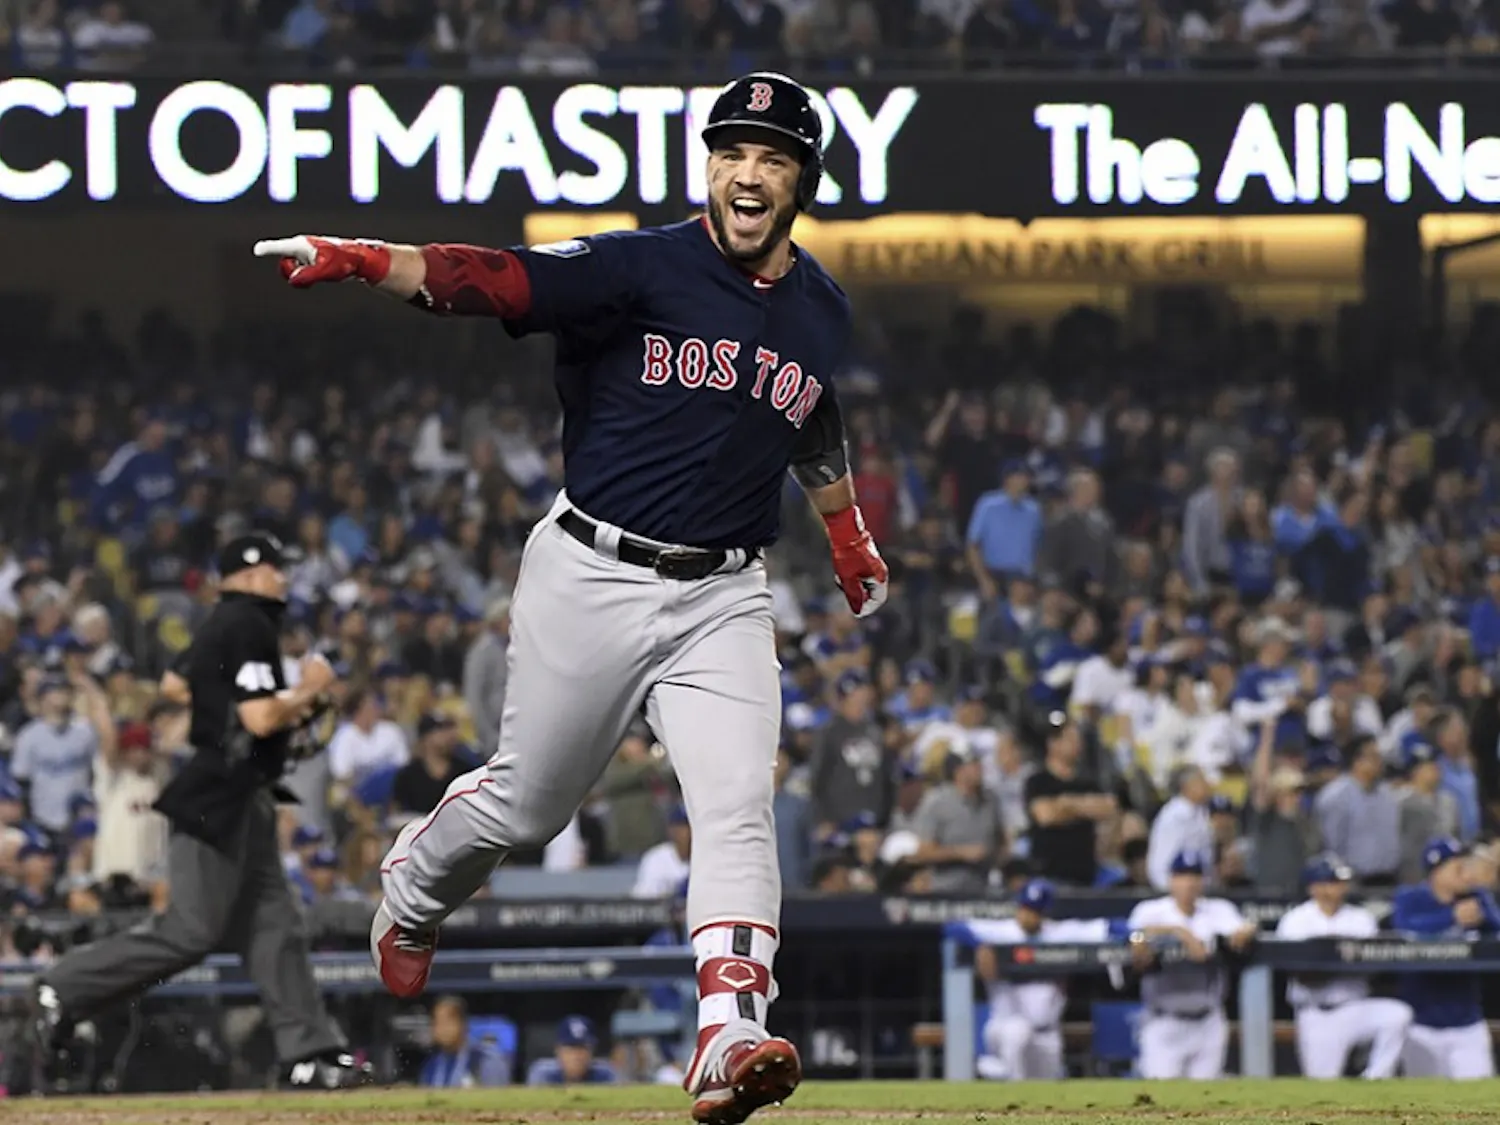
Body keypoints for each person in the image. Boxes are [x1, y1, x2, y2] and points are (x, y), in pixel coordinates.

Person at [260, 71, 889, 1125]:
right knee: (531, 806)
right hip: (593, 568)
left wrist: (844, 530)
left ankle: (728, 1032)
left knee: (739, 808)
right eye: (733, 151)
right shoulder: (643, 266)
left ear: (800, 181)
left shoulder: (823, 306)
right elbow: (493, 280)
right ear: (710, 166)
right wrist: (371, 261)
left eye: (772, 158)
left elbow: (807, 412)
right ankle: (413, 887)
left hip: (724, 594)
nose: (749, 172)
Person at [30, 533, 370, 1092]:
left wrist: (218, 706)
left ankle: (310, 1052)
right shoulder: (248, 622)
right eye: (273, 570)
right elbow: (261, 719)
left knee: (277, 927)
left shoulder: (220, 624)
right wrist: (308, 689)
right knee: (190, 930)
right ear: (245, 575)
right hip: (218, 797)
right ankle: (64, 987)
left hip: (245, 796)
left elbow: (172, 684)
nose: (283, 579)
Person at [1273, 855, 1412, 1079]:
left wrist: (1334, 961)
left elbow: (1374, 964)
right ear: (1315, 887)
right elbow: (1297, 972)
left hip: (1355, 1007)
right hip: (1317, 1013)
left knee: (1397, 1015)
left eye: (1341, 881)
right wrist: (1338, 961)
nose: (1341, 887)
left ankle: (1375, 1079)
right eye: (1333, 881)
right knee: (1323, 1086)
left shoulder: (1360, 918)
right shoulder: (1296, 920)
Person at [1125, 849, 1257, 1079]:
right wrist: (1180, 933)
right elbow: (1133, 935)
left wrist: (1245, 932)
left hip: (1208, 1019)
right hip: (1164, 1019)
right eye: (1182, 876)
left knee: (1206, 1098)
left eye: (1195, 876)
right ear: (1171, 880)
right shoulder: (1151, 910)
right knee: (1160, 1095)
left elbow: (1244, 929)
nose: (1189, 883)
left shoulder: (1219, 909)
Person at [971, 879, 1113, 1080]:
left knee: (1047, 1093)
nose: (1029, 916)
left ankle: (997, 1069)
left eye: (1036, 911)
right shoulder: (1000, 931)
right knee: (1018, 1033)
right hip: (1005, 1027)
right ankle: (999, 1070)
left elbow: (1110, 928)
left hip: (1048, 1032)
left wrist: (1137, 938)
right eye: (1026, 908)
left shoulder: (1059, 933)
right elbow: (954, 927)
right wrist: (982, 945)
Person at [1391, 837, 1500, 1079]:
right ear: (1437, 872)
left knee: (1478, 1104)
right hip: (1420, 1023)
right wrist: (1451, 917)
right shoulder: (1412, 898)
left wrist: (1484, 918)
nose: (1467, 873)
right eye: (1459, 867)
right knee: (1423, 1108)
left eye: (1467, 865)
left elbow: (1497, 931)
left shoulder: (1476, 898)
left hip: (1467, 1023)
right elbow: (1405, 926)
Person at [420, 995, 512, 1088]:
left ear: (462, 1023)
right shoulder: (431, 1065)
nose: (441, 1029)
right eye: (437, 1023)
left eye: (447, 1023)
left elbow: (497, 1097)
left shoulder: (485, 1060)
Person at [526, 1016, 619, 1086]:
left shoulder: (606, 1073)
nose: (576, 1056)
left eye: (582, 1048)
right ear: (557, 1051)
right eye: (571, 1048)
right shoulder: (543, 1073)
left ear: (592, 1051)